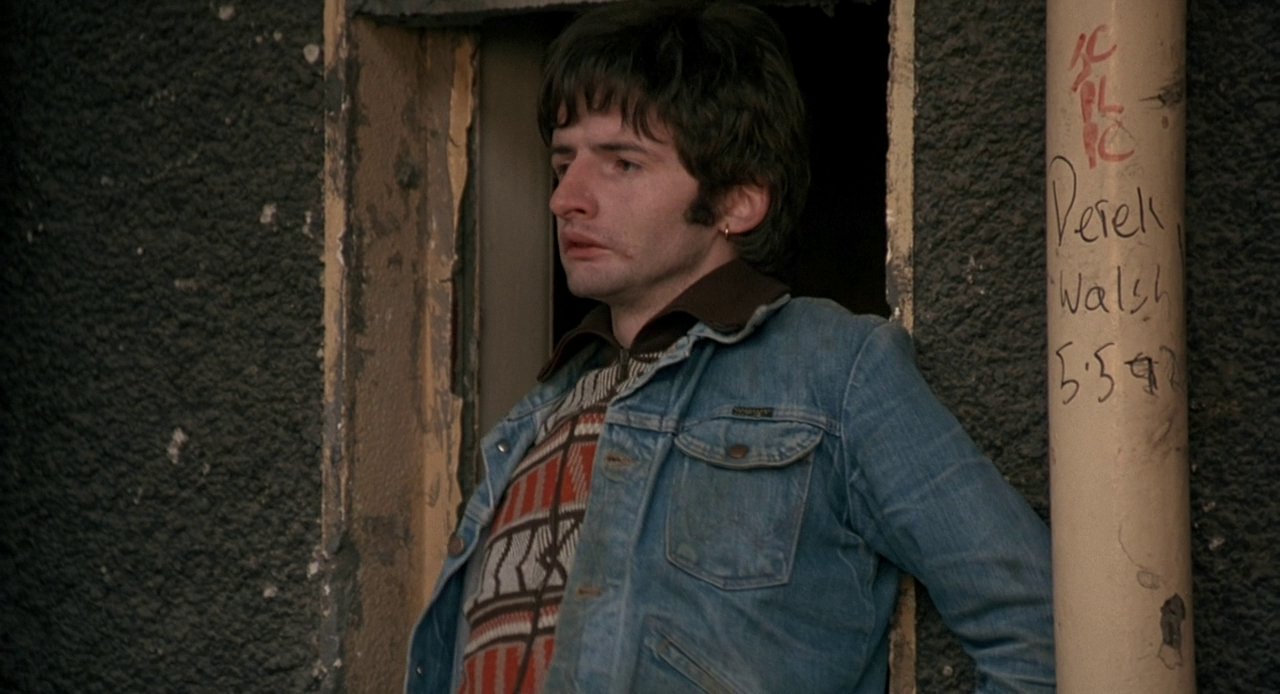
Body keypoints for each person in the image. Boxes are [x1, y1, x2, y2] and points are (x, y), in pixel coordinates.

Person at [407, 2, 1054, 692]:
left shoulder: (834, 368)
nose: (567, 197)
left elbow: (1040, 630)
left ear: (737, 202)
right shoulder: (540, 413)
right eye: (563, 162)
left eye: (622, 163)